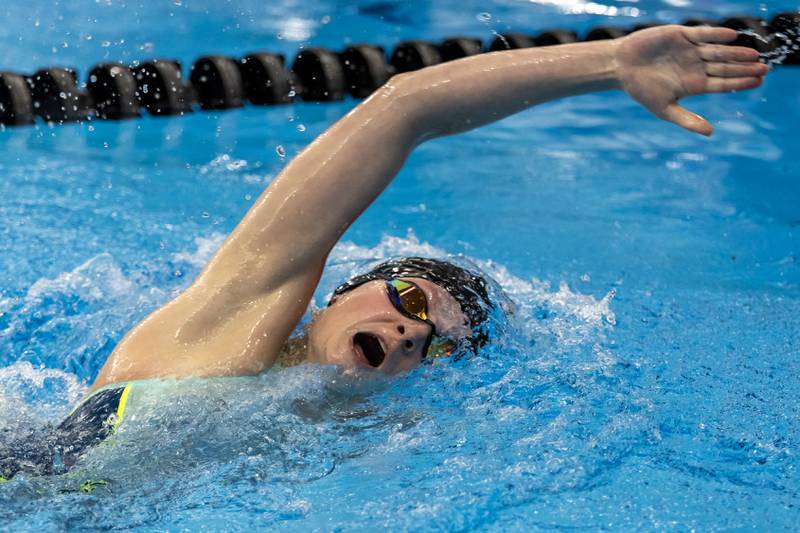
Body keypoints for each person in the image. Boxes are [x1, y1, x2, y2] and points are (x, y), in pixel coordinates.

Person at [0, 25, 768, 481]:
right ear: (334, 293)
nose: (409, 334)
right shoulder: (228, 333)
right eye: (407, 303)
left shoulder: (322, 441)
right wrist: (607, 64)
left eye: (432, 346)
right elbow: (404, 108)